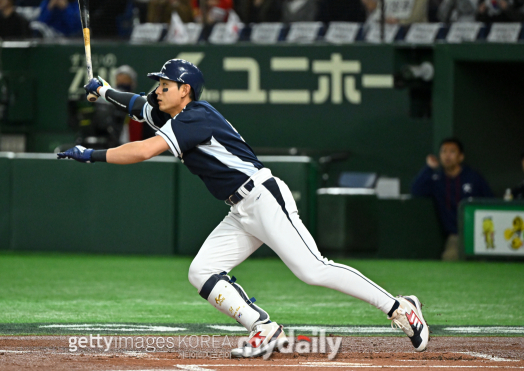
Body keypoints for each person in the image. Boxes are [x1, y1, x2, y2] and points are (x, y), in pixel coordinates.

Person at [57, 59, 431, 358]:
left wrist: (91, 155)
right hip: (240, 209)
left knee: (313, 270)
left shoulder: (194, 117)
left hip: (264, 198)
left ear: (184, 91)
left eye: (165, 85)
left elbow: (140, 151)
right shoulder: (176, 114)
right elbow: (139, 105)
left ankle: (399, 307)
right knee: (202, 271)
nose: (158, 90)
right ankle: (263, 328)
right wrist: (105, 91)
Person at [411, 138, 493, 261]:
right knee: (450, 258)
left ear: (461, 157)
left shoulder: (473, 177)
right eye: (444, 152)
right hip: (455, 236)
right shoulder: (436, 179)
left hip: (478, 233)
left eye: (452, 152)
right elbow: (415, 191)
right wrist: (428, 168)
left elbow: (490, 200)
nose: (447, 155)